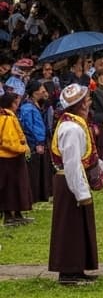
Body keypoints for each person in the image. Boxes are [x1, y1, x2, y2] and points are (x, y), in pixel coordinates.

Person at [48, 84, 103, 285]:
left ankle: (77, 268)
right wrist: (81, 193)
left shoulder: (75, 124)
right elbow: (72, 163)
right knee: (70, 227)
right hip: (70, 183)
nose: (89, 102)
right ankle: (68, 272)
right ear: (80, 105)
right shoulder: (71, 129)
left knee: (78, 227)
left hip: (73, 181)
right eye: (87, 100)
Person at [0, 92, 33, 226]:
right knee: (11, 187)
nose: (17, 105)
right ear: (11, 103)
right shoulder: (6, 118)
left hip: (10, 158)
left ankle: (17, 214)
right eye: (16, 102)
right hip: (9, 158)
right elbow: (7, 141)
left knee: (16, 187)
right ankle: (9, 216)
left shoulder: (9, 116)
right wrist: (22, 148)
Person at [19, 80, 52, 205]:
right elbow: (29, 126)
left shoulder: (36, 105)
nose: (43, 91)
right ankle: (32, 195)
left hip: (40, 140)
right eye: (41, 89)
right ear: (34, 92)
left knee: (40, 169)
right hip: (34, 142)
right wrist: (37, 142)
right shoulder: (27, 107)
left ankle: (40, 194)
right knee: (33, 170)